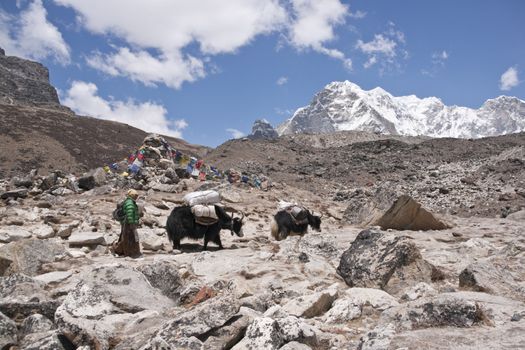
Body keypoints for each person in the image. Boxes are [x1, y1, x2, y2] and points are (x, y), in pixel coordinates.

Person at [112, 189, 141, 258]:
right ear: (132, 195)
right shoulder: (130, 203)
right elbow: (130, 214)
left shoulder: (130, 202)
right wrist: (132, 223)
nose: (136, 197)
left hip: (127, 223)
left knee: (128, 237)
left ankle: (126, 251)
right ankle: (126, 252)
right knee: (127, 238)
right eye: (135, 195)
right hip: (128, 223)